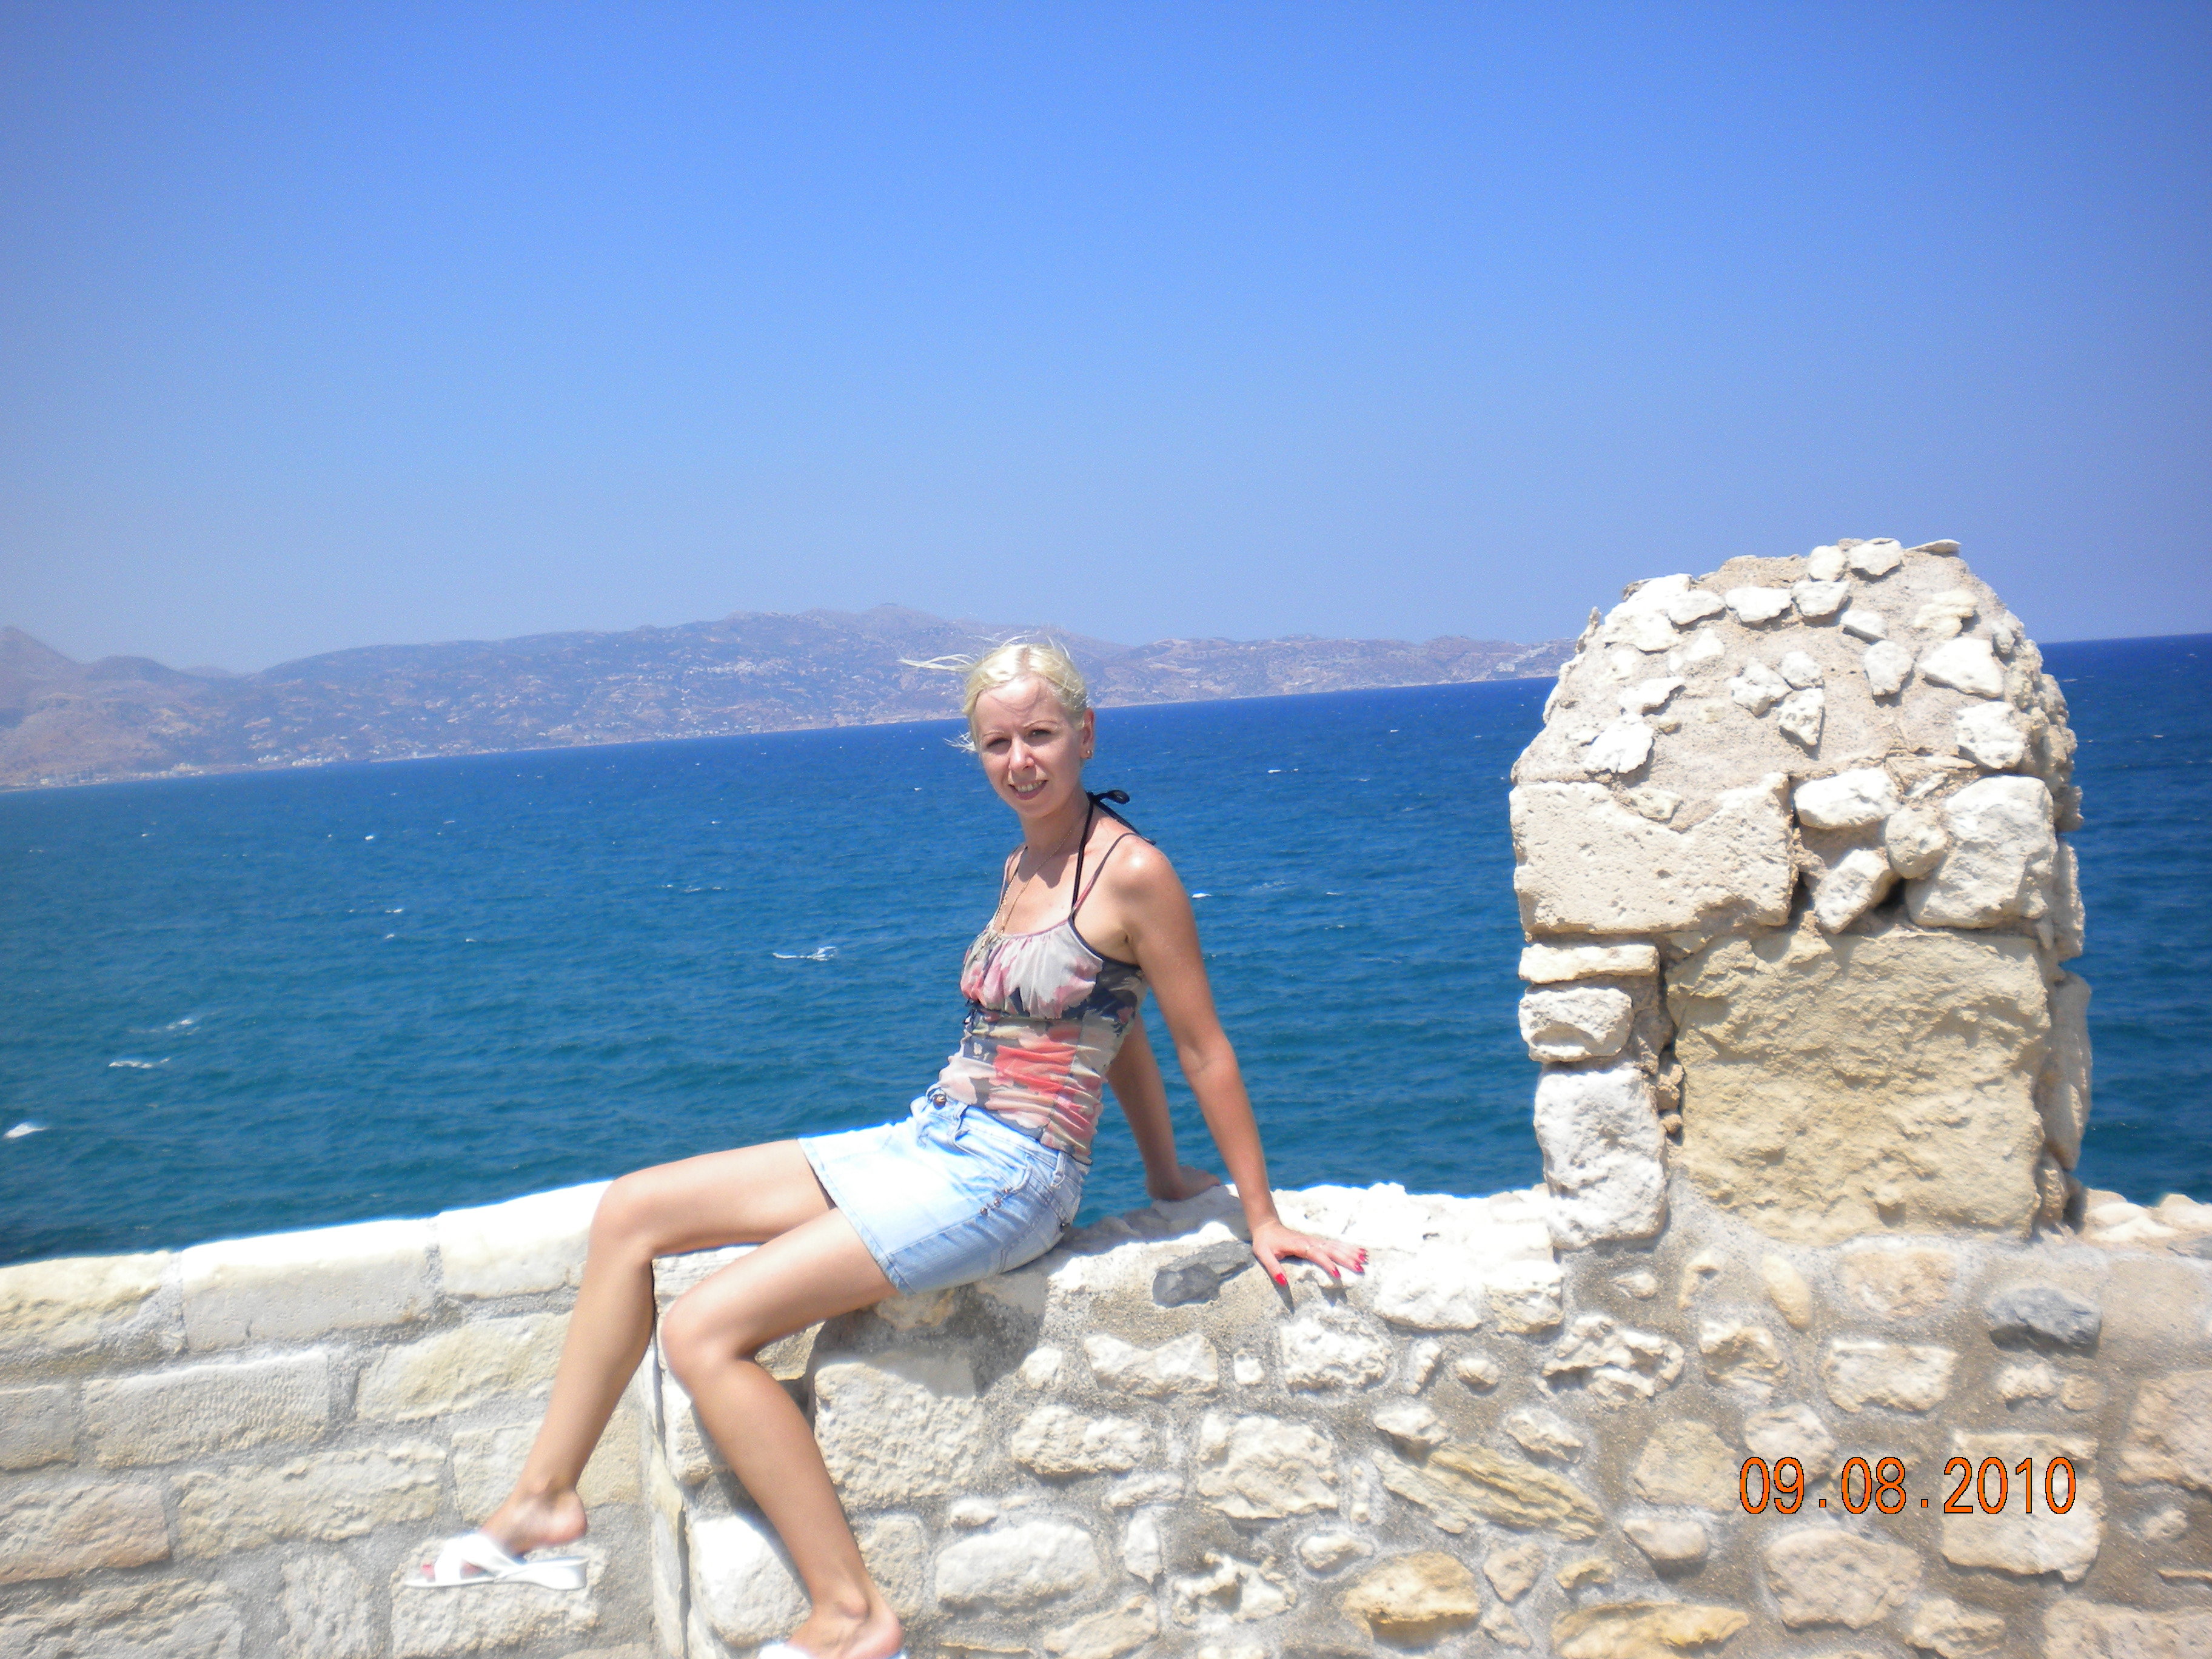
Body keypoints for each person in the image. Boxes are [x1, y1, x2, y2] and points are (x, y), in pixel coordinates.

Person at [404, 640, 1366, 1659]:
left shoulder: (1133, 872)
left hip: (1012, 1177)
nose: (1021, 760)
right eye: (997, 743)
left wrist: (1259, 1214)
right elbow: (1109, 1023)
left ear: (1086, 734)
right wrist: (1165, 1175)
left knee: (702, 1332)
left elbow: (1201, 1047)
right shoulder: (1021, 866)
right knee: (632, 1209)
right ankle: (544, 1499)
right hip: (935, 1135)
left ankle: (854, 1617)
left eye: (1041, 735)